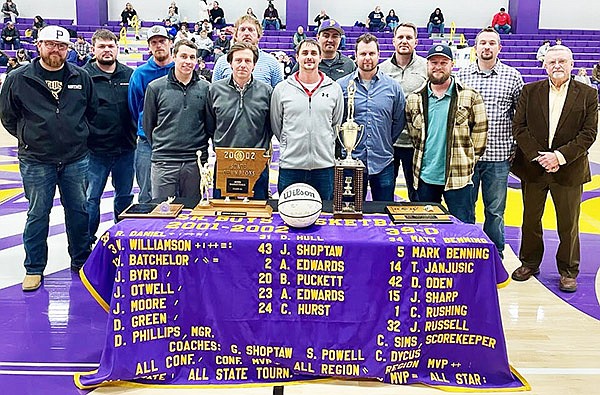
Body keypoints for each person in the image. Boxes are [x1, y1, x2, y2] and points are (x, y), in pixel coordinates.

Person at [0, 25, 98, 292]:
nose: (56, 50)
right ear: (38, 45)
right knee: (37, 214)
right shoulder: (19, 78)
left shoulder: (81, 76)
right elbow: (8, 117)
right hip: (36, 159)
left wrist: (75, 134)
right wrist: (29, 136)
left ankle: (81, 261)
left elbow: (90, 110)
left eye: (62, 46)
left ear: (68, 49)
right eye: (51, 45)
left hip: (75, 158)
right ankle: (33, 268)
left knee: (79, 212)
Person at [511, 45, 598, 293]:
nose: (557, 65)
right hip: (534, 168)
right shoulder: (530, 91)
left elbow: (588, 133)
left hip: (569, 169)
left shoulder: (588, 94)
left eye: (562, 61)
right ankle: (529, 262)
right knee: (530, 220)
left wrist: (559, 157)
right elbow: (520, 127)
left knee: (568, 224)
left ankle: (568, 270)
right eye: (552, 62)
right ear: (544, 66)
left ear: (572, 64)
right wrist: (540, 157)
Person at [456, 27, 523, 258]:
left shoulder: (513, 77)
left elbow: (520, 116)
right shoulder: (461, 75)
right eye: (482, 43)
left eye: (491, 43)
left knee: (495, 210)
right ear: (475, 48)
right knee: (466, 207)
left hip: (499, 156)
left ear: (499, 48)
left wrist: (516, 146)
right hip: (467, 157)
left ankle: (496, 252)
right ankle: (468, 249)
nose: (487, 47)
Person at [405, 44, 487, 223]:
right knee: (426, 230)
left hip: (459, 179)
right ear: (427, 65)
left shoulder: (470, 96)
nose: (438, 66)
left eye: (443, 62)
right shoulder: (414, 99)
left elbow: (480, 136)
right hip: (425, 177)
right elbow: (414, 136)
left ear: (452, 64)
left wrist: (467, 160)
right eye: (434, 62)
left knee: (463, 230)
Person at [270, 39, 344, 200]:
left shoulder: (334, 89)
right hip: (291, 166)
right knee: (289, 215)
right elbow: (277, 124)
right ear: (297, 57)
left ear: (320, 58)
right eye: (304, 53)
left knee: (324, 216)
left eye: (313, 53)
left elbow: (335, 124)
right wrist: (287, 142)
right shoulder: (282, 89)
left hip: (324, 166)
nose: (309, 57)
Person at [337, 34, 405, 202]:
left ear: (379, 55)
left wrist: (384, 140)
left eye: (371, 54)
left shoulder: (393, 87)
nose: (367, 58)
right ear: (355, 56)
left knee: (383, 212)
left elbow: (398, 121)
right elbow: (336, 121)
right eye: (363, 54)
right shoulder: (341, 86)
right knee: (349, 214)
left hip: (383, 161)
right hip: (350, 163)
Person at [83, 29, 136, 246]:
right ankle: (86, 243)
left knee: (124, 198)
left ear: (117, 48)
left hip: (126, 148)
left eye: (110, 46)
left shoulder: (130, 74)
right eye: (102, 46)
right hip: (95, 151)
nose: (107, 50)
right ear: (93, 49)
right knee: (90, 199)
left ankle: (121, 238)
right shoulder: (82, 76)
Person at [143, 39, 210, 201]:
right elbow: (148, 124)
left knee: (194, 217)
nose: (188, 61)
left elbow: (209, 124)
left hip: (195, 163)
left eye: (192, 57)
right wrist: (164, 146)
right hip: (164, 163)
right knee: (163, 214)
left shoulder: (207, 88)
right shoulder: (155, 88)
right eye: (184, 56)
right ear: (174, 57)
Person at [206, 42, 273, 200]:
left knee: (258, 219)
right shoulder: (214, 90)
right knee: (223, 217)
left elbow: (270, 127)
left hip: (257, 164)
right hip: (225, 164)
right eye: (238, 60)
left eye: (248, 61)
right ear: (230, 63)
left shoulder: (267, 91)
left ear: (254, 65)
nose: (243, 65)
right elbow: (210, 126)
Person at [379, 23, 427, 202]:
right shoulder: (382, 69)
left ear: (416, 41)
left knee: (416, 194)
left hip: (415, 144)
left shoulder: (426, 67)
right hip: (388, 142)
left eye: (408, 37)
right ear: (393, 41)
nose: (404, 41)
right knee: (384, 193)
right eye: (400, 37)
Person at [128, 25, 175, 203]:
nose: (158, 45)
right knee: (147, 193)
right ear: (149, 46)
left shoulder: (180, 70)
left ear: (170, 43)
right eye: (154, 42)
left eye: (162, 41)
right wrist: (144, 127)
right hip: (148, 143)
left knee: (178, 195)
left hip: (175, 143)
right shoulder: (140, 74)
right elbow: (134, 107)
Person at [212, 14, 283, 87]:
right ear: (236, 35)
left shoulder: (272, 62)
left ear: (258, 36)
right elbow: (214, 92)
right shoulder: (222, 62)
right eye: (242, 29)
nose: (246, 33)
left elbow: (278, 94)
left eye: (251, 30)